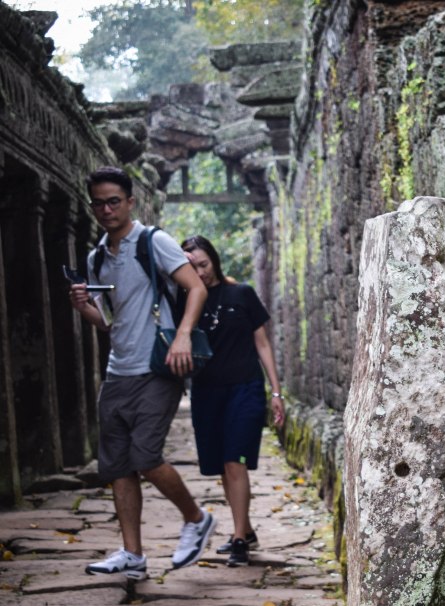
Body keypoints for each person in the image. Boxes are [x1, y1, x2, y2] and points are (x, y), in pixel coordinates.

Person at [70, 166, 216, 580]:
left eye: (114, 201)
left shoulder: (154, 241)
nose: (106, 209)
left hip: (158, 367)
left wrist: (183, 336)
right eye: (99, 203)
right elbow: (108, 322)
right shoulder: (97, 257)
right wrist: (83, 306)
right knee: (117, 465)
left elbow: (196, 287)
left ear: (130, 202)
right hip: (118, 372)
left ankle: (196, 518)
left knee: (146, 457)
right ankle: (132, 554)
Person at [181, 235, 284, 567]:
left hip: (245, 388)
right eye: (193, 268)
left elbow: (262, 344)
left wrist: (276, 391)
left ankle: (239, 540)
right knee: (223, 466)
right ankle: (246, 529)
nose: (201, 272)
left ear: (214, 259)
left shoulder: (241, 294)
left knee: (234, 461)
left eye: (204, 264)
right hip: (207, 392)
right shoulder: (185, 301)